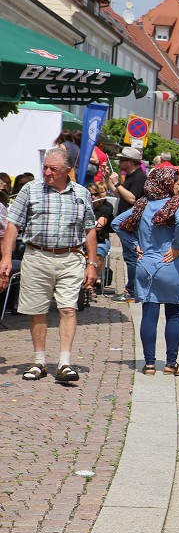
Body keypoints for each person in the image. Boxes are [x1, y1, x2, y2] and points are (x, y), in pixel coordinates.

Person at [0, 148, 97, 383]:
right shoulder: (31, 190)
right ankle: (39, 361)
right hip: (37, 255)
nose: (47, 172)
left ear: (67, 170)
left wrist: (92, 263)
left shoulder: (81, 194)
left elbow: (90, 229)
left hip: (70, 257)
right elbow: (12, 225)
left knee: (67, 308)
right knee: (37, 310)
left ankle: (64, 363)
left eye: (53, 168)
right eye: (45, 167)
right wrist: (5, 257)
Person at [112, 167, 179, 376]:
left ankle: (149, 364)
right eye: (176, 183)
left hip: (145, 263)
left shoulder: (143, 205)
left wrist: (133, 244)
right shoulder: (175, 204)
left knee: (149, 313)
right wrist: (176, 246)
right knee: (174, 315)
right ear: (166, 185)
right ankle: (170, 363)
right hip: (169, 263)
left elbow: (117, 223)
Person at [103, 146, 147, 302]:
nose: (120, 162)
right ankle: (132, 288)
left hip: (132, 223)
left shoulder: (139, 177)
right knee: (129, 256)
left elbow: (132, 198)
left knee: (132, 257)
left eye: (122, 160)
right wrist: (108, 179)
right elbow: (118, 194)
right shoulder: (129, 176)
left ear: (130, 162)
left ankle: (132, 290)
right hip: (126, 223)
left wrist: (117, 183)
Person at [89, 182, 113, 294]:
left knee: (98, 253)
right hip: (82, 240)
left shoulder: (106, 209)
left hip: (100, 239)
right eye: (90, 194)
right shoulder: (83, 208)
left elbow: (99, 227)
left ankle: (92, 282)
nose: (93, 197)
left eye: (95, 194)